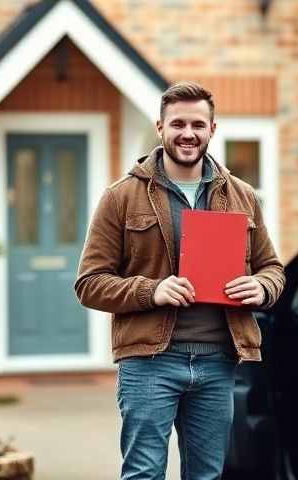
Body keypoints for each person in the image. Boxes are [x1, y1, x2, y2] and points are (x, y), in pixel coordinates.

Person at [74, 81, 285, 480]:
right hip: (149, 361)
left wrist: (262, 287)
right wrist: (152, 290)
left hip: (218, 360)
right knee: (144, 474)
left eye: (197, 125)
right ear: (160, 127)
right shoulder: (121, 197)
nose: (188, 133)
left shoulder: (242, 196)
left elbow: (272, 268)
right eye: (178, 124)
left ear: (212, 130)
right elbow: (89, 282)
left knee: (206, 476)